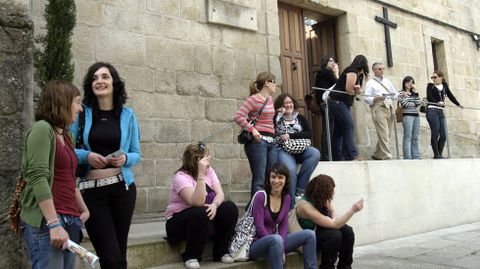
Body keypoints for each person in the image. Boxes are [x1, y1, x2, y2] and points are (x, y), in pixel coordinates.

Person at [71, 62, 141, 269]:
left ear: (114, 82)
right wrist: (87, 156)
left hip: (123, 189)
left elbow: (136, 153)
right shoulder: (82, 113)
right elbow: (67, 149)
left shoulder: (128, 115)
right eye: (94, 78)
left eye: (105, 76)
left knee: (119, 254)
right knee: (110, 256)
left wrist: (125, 159)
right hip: (92, 193)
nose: (99, 81)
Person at [21, 80, 89, 269]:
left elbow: (68, 178)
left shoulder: (68, 136)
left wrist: (83, 210)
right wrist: (53, 223)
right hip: (47, 221)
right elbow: (38, 177)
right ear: (63, 102)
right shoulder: (42, 129)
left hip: (69, 219)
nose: (80, 108)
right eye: (77, 102)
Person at [165, 143, 239, 269]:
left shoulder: (209, 171)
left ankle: (221, 252)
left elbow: (220, 193)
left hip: (203, 219)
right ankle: (191, 256)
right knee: (200, 211)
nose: (209, 158)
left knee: (229, 208)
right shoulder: (181, 177)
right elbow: (197, 202)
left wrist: (215, 205)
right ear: (197, 160)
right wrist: (201, 175)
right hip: (178, 223)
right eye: (206, 156)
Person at [249, 163, 317, 269]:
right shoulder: (261, 196)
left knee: (309, 235)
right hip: (257, 244)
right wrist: (278, 247)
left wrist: (282, 249)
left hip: (276, 242)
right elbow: (259, 227)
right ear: (269, 179)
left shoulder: (287, 198)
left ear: (286, 180)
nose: (276, 181)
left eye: (280, 177)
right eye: (273, 177)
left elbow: (284, 227)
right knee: (276, 239)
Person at [296, 174, 364, 269]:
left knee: (347, 231)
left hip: (317, 231)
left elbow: (333, 215)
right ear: (322, 191)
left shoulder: (320, 198)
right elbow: (334, 224)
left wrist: (332, 216)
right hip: (307, 238)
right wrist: (352, 211)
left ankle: (345, 266)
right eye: (330, 191)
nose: (332, 194)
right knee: (334, 235)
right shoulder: (305, 206)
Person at [234, 72, 278, 197]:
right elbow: (238, 116)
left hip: (271, 141)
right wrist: (252, 130)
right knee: (259, 181)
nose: (276, 85)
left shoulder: (269, 100)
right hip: (258, 142)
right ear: (267, 83)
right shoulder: (254, 99)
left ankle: (265, 211)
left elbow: (267, 119)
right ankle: (254, 214)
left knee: (271, 179)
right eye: (273, 82)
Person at [274, 93, 320, 207]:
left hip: (300, 149)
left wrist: (290, 135)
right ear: (280, 105)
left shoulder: (300, 118)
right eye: (285, 103)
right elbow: (272, 129)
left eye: (290, 102)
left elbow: (309, 133)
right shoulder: (276, 118)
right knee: (290, 170)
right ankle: (291, 205)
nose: (288, 105)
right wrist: (277, 114)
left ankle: (300, 189)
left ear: (293, 104)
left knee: (315, 153)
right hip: (284, 150)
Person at [327, 55, 368, 161]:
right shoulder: (352, 71)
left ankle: (337, 157)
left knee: (339, 131)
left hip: (342, 103)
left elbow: (360, 91)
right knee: (349, 125)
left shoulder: (360, 75)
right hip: (337, 101)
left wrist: (358, 90)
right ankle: (352, 155)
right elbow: (349, 89)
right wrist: (356, 90)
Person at [364, 62, 405, 160]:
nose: (382, 71)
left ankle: (378, 153)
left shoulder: (387, 81)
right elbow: (366, 98)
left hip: (389, 107)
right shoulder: (370, 83)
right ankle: (387, 155)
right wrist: (375, 99)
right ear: (374, 70)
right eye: (379, 69)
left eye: (383, 69)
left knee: (387, 133)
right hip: (378, 107)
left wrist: (400, 95)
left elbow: (393, 94)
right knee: (383, 133)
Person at [425, 71, 463, 159]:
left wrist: (458, 104)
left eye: (435, 77)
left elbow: (450, 95)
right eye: (432, 77)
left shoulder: (445, 85)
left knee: (443, 135)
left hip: (441, 111)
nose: (433, 79)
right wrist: (437, 102)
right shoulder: (430, 86)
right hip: (432, 110)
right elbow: (429, 97)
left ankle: (439, 154)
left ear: (440, 77)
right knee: (435, 133)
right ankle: (437, 154)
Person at [314, 55, 339, 161]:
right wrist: (336, 72)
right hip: (328, 105)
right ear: (325, 63)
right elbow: (338, 85)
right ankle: (327, 156)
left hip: (327, 105)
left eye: (334, 61)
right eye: (330, 61)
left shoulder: (323, 73)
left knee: (330, 130)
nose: (333, 63)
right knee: (329, 130)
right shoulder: (326, 72)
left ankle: (329, 155)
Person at [399, 76, 421, 159]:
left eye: (411, 82)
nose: (410, 84)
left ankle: (416, 157)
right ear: (404, 83)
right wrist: (413, 103)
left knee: (415, 137)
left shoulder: (414, 94)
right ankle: (407, 157)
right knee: (407, 137)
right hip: (407, 116)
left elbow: (418, 103)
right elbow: (405, 104)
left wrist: (416, 93)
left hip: (416, 116)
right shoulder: (401, 93)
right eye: (408, 82)